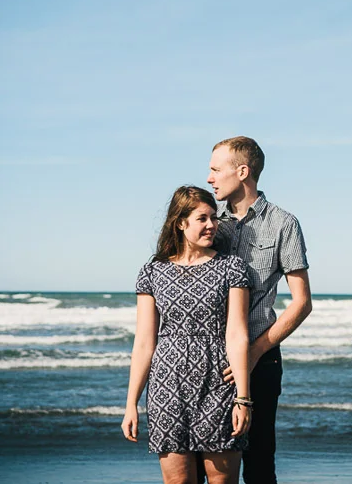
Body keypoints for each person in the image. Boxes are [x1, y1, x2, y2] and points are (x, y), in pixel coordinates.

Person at [122, 186, 252, 484]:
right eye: (202, 218)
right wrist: (131, 403)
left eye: (214, 218)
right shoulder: (152, 272)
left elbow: (236, 334)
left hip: (218, 385)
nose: (212, 225)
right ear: (180, 223)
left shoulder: (231, 267)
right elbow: (144, 342)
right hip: (167, 388)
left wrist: (243, 399)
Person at [207, 136, 313, 484]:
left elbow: (301, 302)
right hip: (210, 357)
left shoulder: (284, 223)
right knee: (205, 460)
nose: (210, 178)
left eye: (215, 169)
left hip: (260, 357)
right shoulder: (207, 222)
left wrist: (253, 352)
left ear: (242, 171)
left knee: (259, 462)